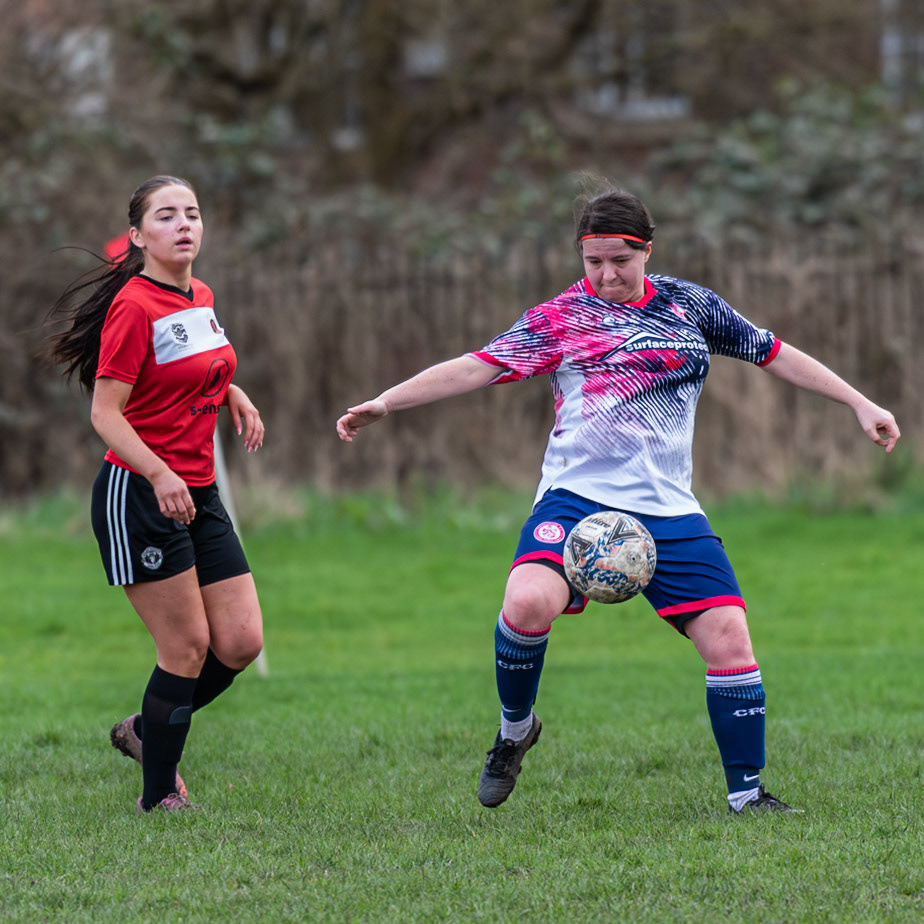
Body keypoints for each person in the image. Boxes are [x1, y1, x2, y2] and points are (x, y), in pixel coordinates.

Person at [336, 184, 901, 814]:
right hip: (576, 500)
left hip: (669, 508)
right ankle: (515, 730)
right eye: (593, 261)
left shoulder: (691, 305)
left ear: (647, 251)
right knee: (526, 601)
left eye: (620, 261)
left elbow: (773, 353)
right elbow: (478, 365)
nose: (606, 274)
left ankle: (747, 796)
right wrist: (386, 401)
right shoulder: (559, 318)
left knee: (730, 641)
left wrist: (860, 402)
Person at [48, 175, 266, 812]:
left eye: (191, 213)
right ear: (139, 235)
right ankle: (159, 798)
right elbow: (106, 413)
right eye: (166, 216)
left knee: (240, 641)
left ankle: (146, 729)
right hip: (140, 495)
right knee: (187, 648)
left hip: (198, 492)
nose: (183, 225)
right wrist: (158, 473)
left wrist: (232, 390)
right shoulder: (134, 307)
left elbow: (190, 363)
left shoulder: (200, 294)